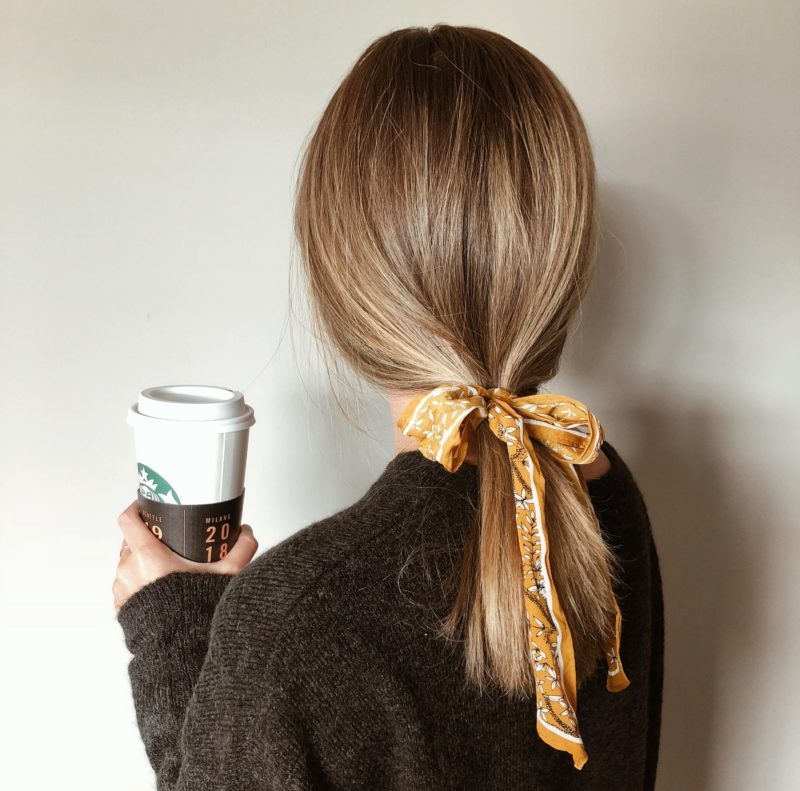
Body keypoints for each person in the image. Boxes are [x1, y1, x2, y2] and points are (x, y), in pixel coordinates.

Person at [113, 24, 663, 790]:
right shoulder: (602, 490)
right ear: (563, 259)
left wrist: (176, 627)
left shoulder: (296, 619)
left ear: (343, 288)